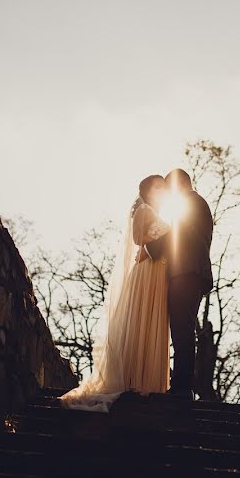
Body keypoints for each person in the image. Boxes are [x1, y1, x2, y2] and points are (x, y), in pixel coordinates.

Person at [60, 175, 172, 411]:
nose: (162, 191)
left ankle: (150, 383)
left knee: (153, 323)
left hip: (158, 274)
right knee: (142, 322)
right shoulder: (143, 210)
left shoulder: (156, 212)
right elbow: (139, 238)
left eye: (164, 188)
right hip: (147, 273)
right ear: (147, 190)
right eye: (157, 187)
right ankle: (136, 381)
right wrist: (167, 235)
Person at [143, 169, 214, 399]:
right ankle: (182, 388)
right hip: (189, 273)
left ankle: (182, 389)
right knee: (182, 330)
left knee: (182, 330)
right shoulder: (193, 204)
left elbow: (177, 233)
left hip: (187, 273)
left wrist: (149, 248)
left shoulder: (192, 203)